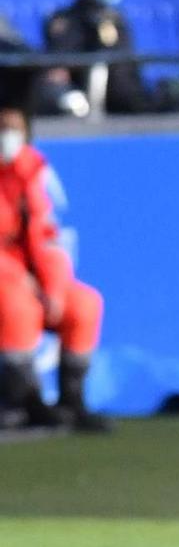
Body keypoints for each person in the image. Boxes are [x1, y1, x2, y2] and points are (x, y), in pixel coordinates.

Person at [0, 84, 111, 432]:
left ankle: (72, 401)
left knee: (84, 305)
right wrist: (22, 280)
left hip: (26, 276)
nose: (8, 136)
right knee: (18, 307)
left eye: (14, 129)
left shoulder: (28, 172)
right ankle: (23, 400)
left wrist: (54, 288)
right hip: (9, 278)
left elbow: (45, 239)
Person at [42, 0, 151, 117]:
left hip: (132, 106)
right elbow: (59, 65)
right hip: (97, 110)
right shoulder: (68, 20)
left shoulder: (117, 19)